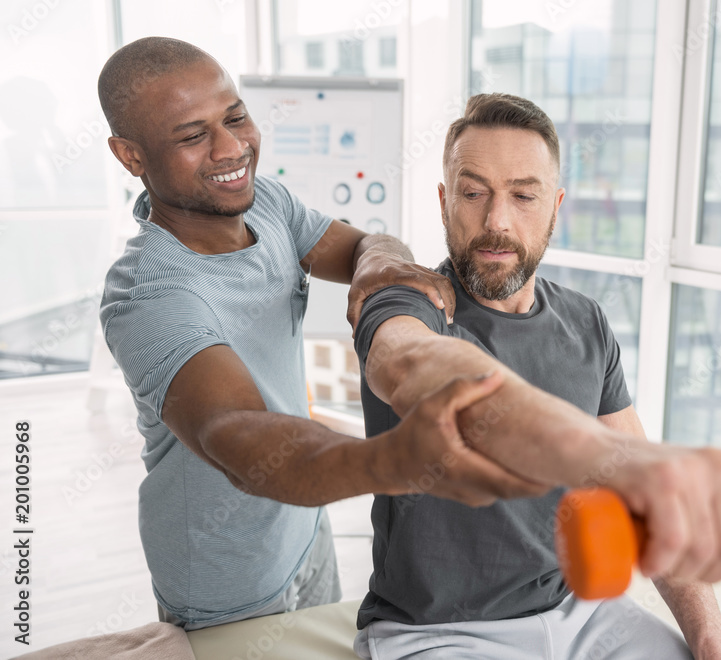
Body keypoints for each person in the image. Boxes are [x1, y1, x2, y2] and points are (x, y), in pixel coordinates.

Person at [96, 38, 545, 631]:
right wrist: (394, 459)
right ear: (131, 155)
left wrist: (380, 262)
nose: (232, 147)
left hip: (305, 535)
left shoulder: (265, 208)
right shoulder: (149, 297)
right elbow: (241, 438)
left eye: (235, 117)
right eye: (191, 136)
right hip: (226, 585)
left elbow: (362, 245)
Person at [351, 93, 721, 658]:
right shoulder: (407, 305)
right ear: (443, 202)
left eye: (524, 196)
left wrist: (710, 632)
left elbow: (643, 499)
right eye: (473, 192)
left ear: (555, 208)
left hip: (581, 614)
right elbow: (406, 364)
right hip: (437, 634)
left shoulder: (586, 321)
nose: (496, 221)